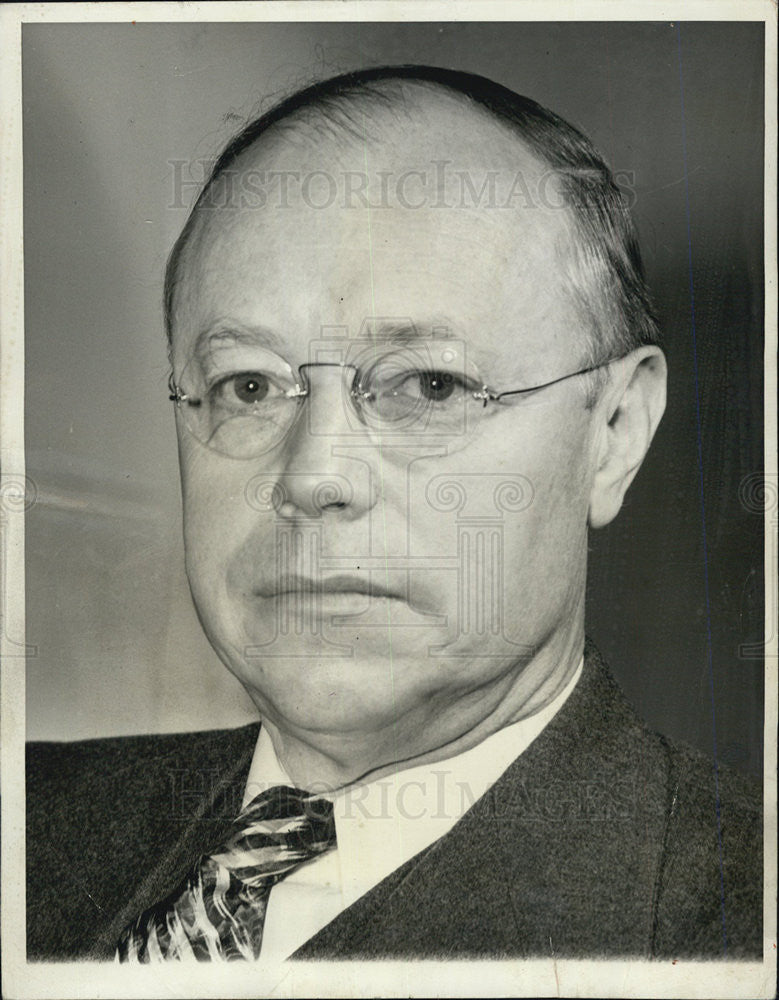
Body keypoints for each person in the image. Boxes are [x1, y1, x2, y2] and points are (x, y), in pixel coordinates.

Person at [26, 65, 762, 962]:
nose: (314, 476)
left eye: (429, 384)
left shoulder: (733, 917)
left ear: (612, 432)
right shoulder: (28, 824)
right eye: (248, 385)